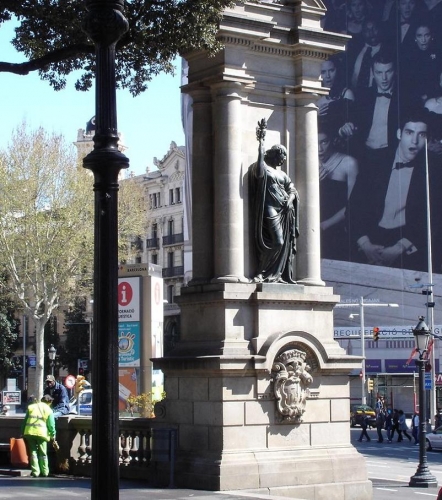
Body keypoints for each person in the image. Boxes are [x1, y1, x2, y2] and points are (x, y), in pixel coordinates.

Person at [347, 108, 442, 271]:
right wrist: (365, 245)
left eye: (421, 135)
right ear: (399, 134)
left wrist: (400, 248)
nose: (414, 141)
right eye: (409, 133)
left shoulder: (435, 168)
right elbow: (352, 209)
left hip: (409, 241)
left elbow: (435, 218)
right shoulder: (374, 161)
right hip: (370, 237)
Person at [250, 118, 299, 284]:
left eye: (284, 159)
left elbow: (292, 189)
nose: (282, 161)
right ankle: (260, 273)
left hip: (284, 211)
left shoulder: (283, 174)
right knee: (278, 242)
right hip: (270, 208)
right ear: (274, 154)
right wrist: (261, 142)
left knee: (283, 243)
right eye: (281, 157)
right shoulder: (265, 169)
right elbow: (259, 171)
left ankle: (277, 274)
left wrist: (290, 199)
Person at [318, 123, 359, 260]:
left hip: (336, 229)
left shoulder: (349, 163)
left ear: (332, 140)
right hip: (309, 226)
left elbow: (352, 205)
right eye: (315, 142)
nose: (319, 149)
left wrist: (324, 226)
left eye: (324, 142)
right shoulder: (305, 161)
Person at [317, 57, 356, 136]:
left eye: (331, 70)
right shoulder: (314, 96)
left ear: (337, 70)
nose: (328, 76)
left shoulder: (346, 94)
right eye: (323, 72)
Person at [21, 394, 56, 478]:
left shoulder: (31, 407)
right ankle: (45, 471)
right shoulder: (49, 410)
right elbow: (51, 425)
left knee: (33, 452)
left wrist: (22, 432)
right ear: (50, 402)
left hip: (29, 432)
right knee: (43, 453)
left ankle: (35, 472)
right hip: (42, 434)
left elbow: (25, 421)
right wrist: (53, 434)